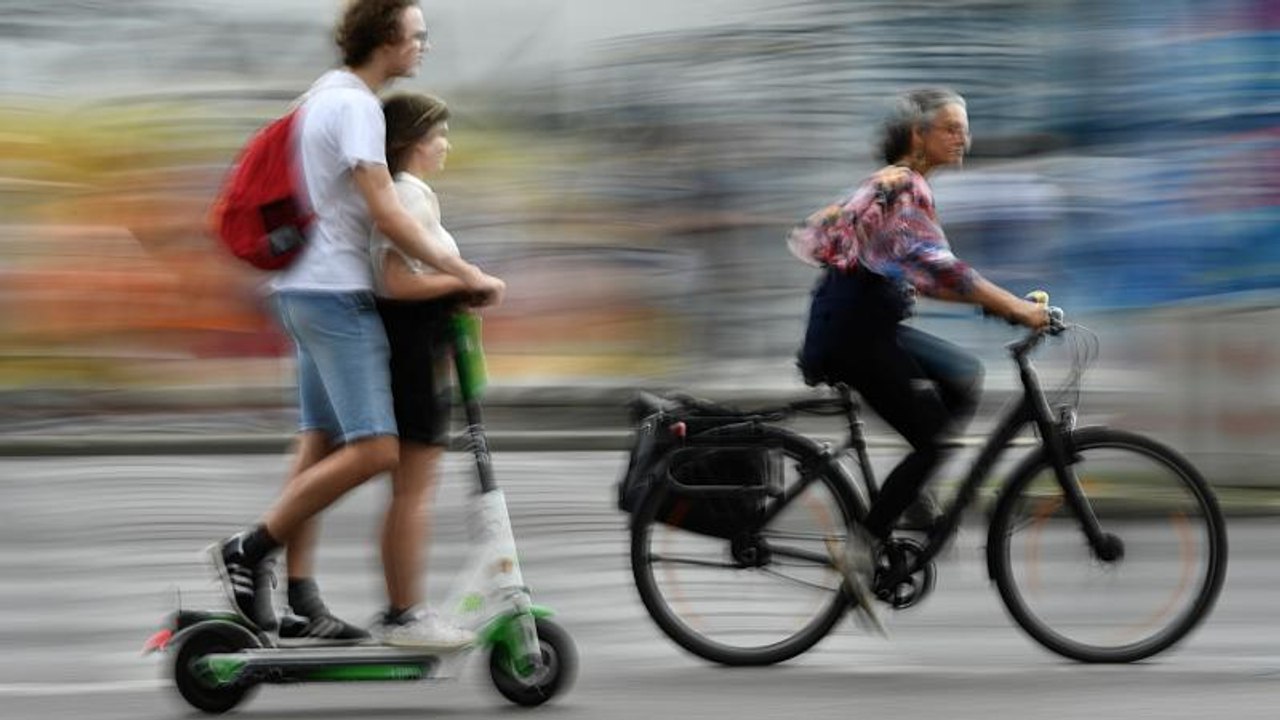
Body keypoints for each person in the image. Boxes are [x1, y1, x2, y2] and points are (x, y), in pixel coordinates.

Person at [207, 0, 505, 645]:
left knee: (320, 443)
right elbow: (389, 214)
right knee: (375, 449)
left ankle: (301, 596)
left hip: (302, 290)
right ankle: (249, 548)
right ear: (386, 38)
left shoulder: (325, 95)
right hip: (333, 295)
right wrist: (465, 272)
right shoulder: (357, 107)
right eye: (416, 35)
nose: (423, 45)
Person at [788, 87, 1048, 629]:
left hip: (865, 325)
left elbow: (927, 278)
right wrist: (1015, 309)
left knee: (964, 376)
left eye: (965, 128)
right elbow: (944, 270)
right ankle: (860, 548)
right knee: (933, 440)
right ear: (917, 136)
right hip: (855, 336)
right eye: (952, 128)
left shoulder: (897, 187)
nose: (964, 138)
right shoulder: (903, 185)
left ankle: (911, 495)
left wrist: (999, 307)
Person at [365, 93, 476, 647]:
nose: (446, 145)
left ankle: (401, 610)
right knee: (414, 490)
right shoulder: (407, 195)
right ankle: (405, 614)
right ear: (411, 143)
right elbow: (397, 282)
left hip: (416, 349)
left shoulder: (406, 194)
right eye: (438, 135)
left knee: (409, 490)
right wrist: (463, 283)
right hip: (413, 352)